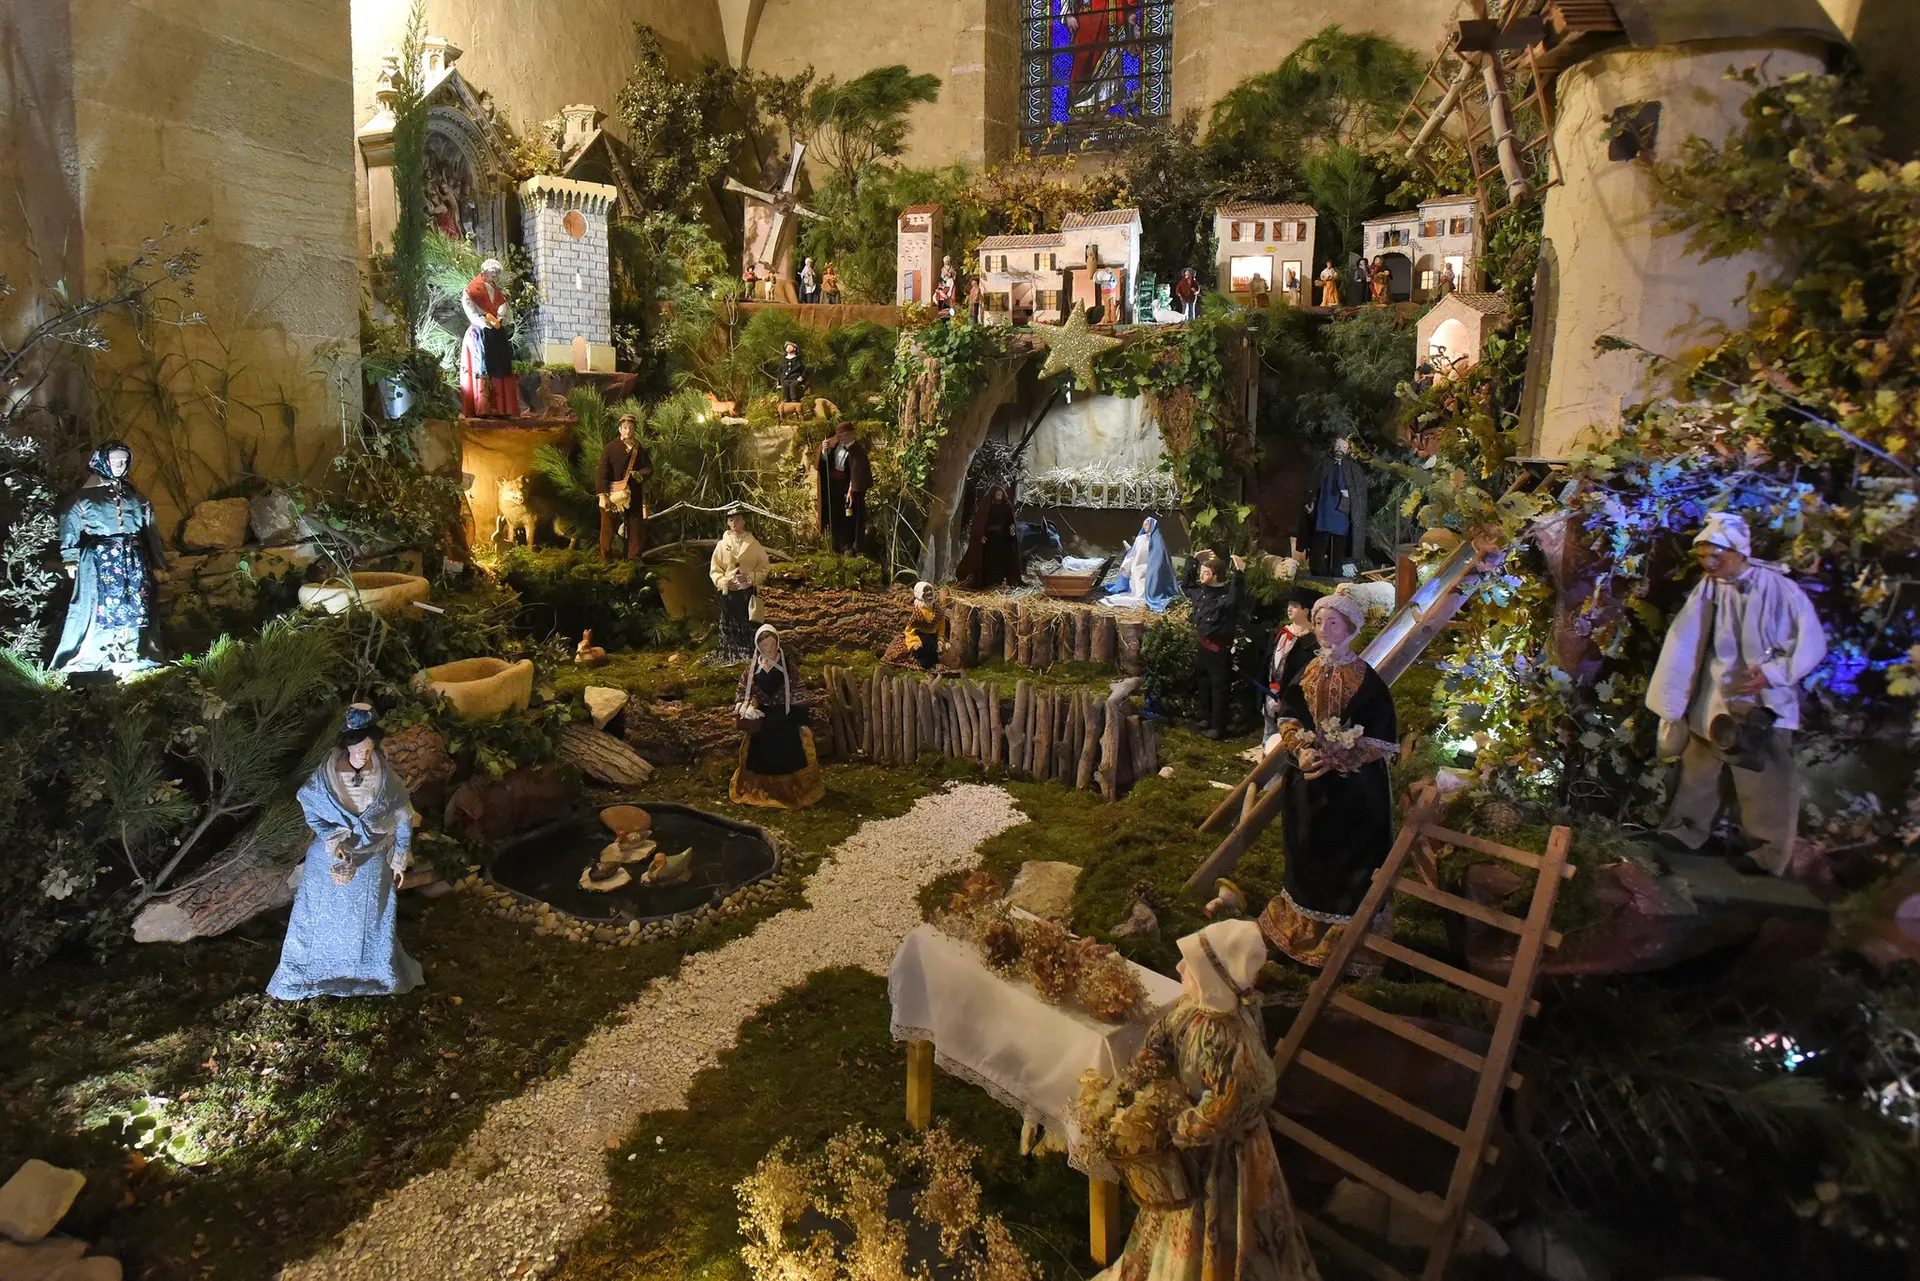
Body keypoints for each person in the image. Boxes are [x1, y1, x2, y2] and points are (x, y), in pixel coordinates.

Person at [1091, 919, 1321, 1281]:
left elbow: (1229, 1105)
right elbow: (1157, 1047)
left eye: (1190, 964)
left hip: (1227, 1158)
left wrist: (1176, 1125)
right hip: (1191, 1146)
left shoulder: (1231, 1042)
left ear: (1211, 978)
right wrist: (1133, 1086)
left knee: (1215, 1220)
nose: (1180, 967)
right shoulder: (1186, 1012)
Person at [1645, 512, 1827, 875]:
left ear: (1739, 552)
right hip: (1715, 693)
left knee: (1764, 778)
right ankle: (1686, 830)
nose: (1709, 564)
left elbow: (1811, 643)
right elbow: (1689, 638)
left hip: (1761, 701)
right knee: (1700, 766)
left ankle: (1766, 852)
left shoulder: (1778, 589)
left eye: (1718, 556)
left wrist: (1773, 674)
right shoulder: (1709, 588)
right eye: (1703, 557)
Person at [1257, 588, 1398, 970]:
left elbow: (1381, 736)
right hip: (1308, 782)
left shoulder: (1366, 680)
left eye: (1331, 623)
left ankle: (1348, 940)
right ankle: (1304, 927)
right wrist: (1301, 748)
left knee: (1350, 859)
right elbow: (1290, 713)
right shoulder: (1309, 669)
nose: (1322, 629)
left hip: (1353, 792)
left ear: (1350, 628)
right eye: (1318, 622)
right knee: (1307, 852)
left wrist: (1345, 755)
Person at [268, 704, 424, 1000]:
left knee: (370, 918)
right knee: (317, 913)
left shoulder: (385, 779)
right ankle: (309, 971)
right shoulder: (325, 778)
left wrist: (399, 858)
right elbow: (312, 812)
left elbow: (404, 817)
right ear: (347, 747)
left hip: (372, 854)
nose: (364, 756)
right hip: (332, 855)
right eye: (359, 750)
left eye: (369, 751)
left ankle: (369, 972)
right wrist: (333, 838)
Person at [52, 440, 168, 676]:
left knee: (135, 603)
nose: (119, 465)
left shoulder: (135, 496)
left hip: (133, 559)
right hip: (99, 560)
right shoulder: (84, 497)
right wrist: (70, 555)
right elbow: (69, 520)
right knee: (98, 604)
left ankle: (130, 650)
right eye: (115, 460)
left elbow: (150, 531)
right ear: (103, 461)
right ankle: (99, 652)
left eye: (124, 461)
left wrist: (158, 562)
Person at [731, 624, 824, 809]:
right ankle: (764, 788)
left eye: (771, 644)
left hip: (785, 716)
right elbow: (743, 691)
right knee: (760, 746)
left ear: (777, 644)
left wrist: (802, 721)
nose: (768, 649)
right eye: (764, 645)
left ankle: (790, 789)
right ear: (758, 646)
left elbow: (798, 692)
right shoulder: (752, 670)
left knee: (788, 744)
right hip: (762, 717)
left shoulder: (787, 667)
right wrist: (746, 706)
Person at [1184, 550, 1246, 740]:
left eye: (1206, 573)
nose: (1202, 576)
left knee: (1219, 687)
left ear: (1216, 576)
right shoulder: (1201, 593)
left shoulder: (1224, 598)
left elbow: (1236, 599)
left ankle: (1218, 725)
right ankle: (1205, 715)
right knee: (1203, 682)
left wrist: (1240, 574)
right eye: (1201, 572)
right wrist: (1193, 561)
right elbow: (1187, 586)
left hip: (1218, 650)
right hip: (1203, 646)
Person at [459, 258, 520, 418]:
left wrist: (500, 317)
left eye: (496, 274)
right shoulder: (471, 290)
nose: (494, 276)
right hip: (480, 332)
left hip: (496, 332)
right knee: (481, 364)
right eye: (492, 273)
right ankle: (483, 406)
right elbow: (469, 307)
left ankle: (502, 408)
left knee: (501, 365)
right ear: (484, 272)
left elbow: (502, 305)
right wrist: (481, 321)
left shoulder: (496, 292)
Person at [710, 504, 771, 664]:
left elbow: (764, 565)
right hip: (729, 592)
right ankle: (731, 652)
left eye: (737, 519)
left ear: (744, 521)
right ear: (728, 523)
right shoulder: (722, 545)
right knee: (730, 622)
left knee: (748, 620)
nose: (734, 523)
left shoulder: (753, 544)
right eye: (731, 520)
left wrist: (752, 577)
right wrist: (723, 581)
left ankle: (749, 652)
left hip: (747, 592)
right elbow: (715, 569)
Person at [1260, 584, 1322, 741]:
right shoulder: (1281, 633)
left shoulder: (1312, 643)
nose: (1289, 609)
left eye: (1295, 606)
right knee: (1269, 730)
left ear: (1306, 610)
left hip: (1292, 700)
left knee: (1288, 735)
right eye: (1289, 605)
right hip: (1271, 691)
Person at [1299, 436, 1368, 577]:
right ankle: (1317, 570)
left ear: (1348, 449)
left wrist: (1351, 496)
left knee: (1339, 542)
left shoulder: (1353, 468)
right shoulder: (1323, 464)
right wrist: (1310, 501)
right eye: (1337, 445)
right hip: (1324, 507)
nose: (1339, 449)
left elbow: (1359, 492)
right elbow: (1312, 485)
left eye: (1343, 447)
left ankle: (1336, 569)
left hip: (1342, 511)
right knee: (1320, 539)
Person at [595, 412, 652, 561]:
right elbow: (601, 472)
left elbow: (649, 467)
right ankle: (605, 559)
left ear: (634, 429)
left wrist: (640, 474)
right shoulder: (610, 448)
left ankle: (634, 559)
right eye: (625, 428)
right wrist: (603, 495)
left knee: (635, 527)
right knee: (608, 528)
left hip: (634, 493)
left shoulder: (640, 450)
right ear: (620, 429)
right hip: (613, 494)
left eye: (631, 428)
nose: (628, 431)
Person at [1103, 516, 1181, 612]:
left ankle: (1148, 597)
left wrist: (1154, 568)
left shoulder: (1158, 542)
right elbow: (1132, 553)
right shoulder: (1140, 539)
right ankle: (1137, 595)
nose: (1145, 526)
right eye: (1144, 524)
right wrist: (1126, 566)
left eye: (1147, 524)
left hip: (1150, 569)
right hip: (1137, 568)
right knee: (1137, 586)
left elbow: (1161, 557)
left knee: (1147, 586)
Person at [816, 421, 872, 554]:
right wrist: (824, 451)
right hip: (834, 485)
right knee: (835, 514)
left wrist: (851, 489)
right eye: (839, 436)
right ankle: (836, 544)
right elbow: (825, 462)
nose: (841, 439)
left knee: (849, 516)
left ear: (851, 434)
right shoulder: (835, 446)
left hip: (848, 487)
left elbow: (858, 472)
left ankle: (849, 546)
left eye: (844, 436)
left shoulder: (857, 451)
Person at [903, 581, 945, 670]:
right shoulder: (916, 611)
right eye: (926, 591)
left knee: (934, 654)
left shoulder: (938, 610)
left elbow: (941, 626)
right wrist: (914, 642)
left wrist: (940, 639)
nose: (929, 592)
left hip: (933, 638)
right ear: (919, 593)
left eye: (930, 590)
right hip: (921, 637)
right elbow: (909, 630)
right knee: (923, 656)